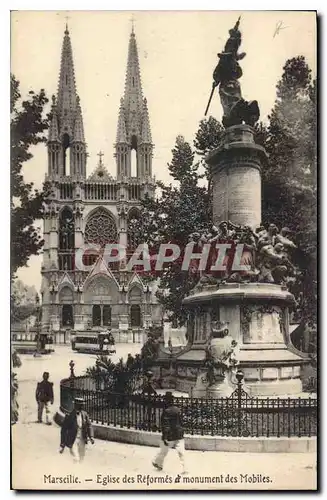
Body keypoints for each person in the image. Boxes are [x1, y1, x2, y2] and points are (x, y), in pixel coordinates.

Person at [152, 392, 186, 474]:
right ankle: (185, 468)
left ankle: (158, 463)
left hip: (170, 435)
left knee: (163, 450)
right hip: (179, 433)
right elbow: (182, 422)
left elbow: (166, 425)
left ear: (166, 401)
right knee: (181, 452)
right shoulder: (178, 410)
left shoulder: (166, 411)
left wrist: (165, 437)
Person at [59, 397, 94, 463]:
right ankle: (75, 471)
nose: (80, 407)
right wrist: (62, 444)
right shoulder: (69, 416)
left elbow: (89, 425)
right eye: (79, 405)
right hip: (73, 440)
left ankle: (79, 471)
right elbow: (64, 430)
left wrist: (91, 437)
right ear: (75, 405)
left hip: (82, 439)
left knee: (82, 457)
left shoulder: (85, 414)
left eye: (81, 405)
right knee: (76, 458)